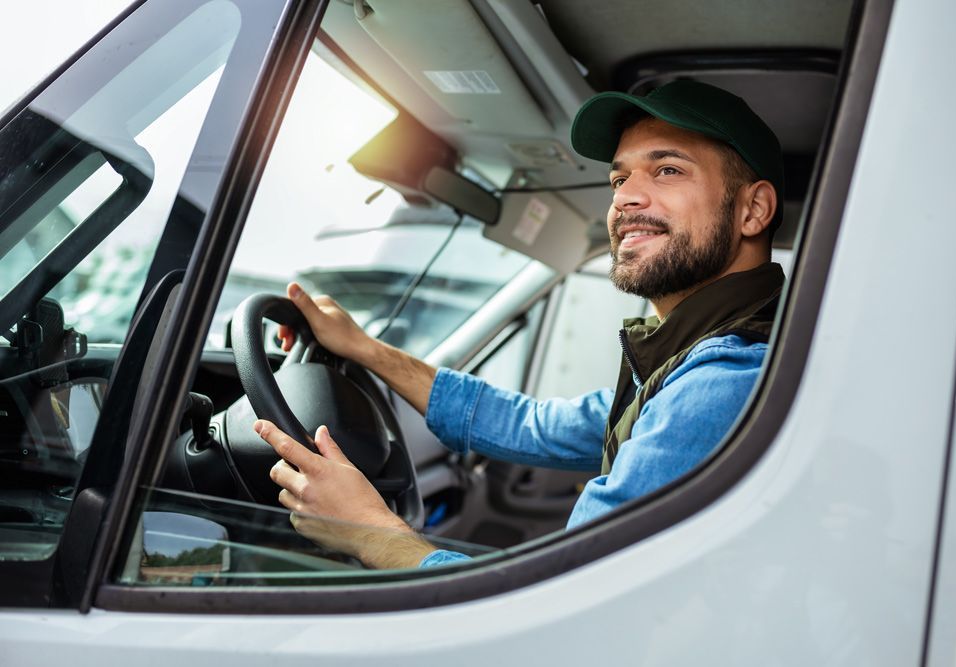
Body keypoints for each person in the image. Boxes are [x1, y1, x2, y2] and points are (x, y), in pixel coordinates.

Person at [253, 80, 786, 569]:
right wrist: (367, 349)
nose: (625, 196)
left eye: (667, 169)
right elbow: (531, 425)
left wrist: (366, 529)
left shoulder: (724, 382)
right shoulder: (689, 361)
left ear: (753, 209)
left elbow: (565, 605)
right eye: (620, 177)